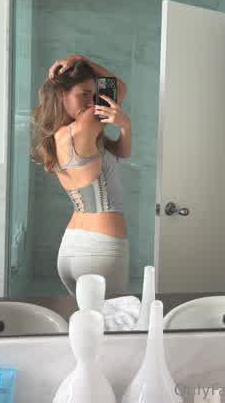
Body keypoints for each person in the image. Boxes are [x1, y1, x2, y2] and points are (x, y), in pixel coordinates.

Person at [31, 53, 131, 297]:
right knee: (111, 320)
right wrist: (81, 59)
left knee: (84, 320)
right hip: (101, 250)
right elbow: (118, 87)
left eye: (92, 94)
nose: (90, 101)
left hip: (71, 247)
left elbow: (121, 153)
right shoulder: (86, 125)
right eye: (83, 94)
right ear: (61, 95)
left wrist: (125, 127)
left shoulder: (55, 137)